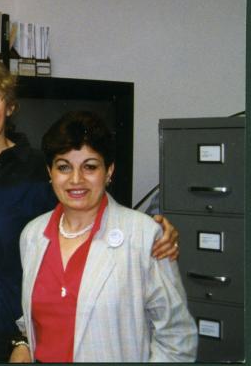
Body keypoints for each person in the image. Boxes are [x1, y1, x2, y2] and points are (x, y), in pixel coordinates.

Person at [0, 54, 180, 362]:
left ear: (10, 106)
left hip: (8, 331)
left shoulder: (39, 170)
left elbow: (88, 218)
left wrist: (154, 234)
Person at [10, 110, 197, 362]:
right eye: (64, 167)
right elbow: (36, 314)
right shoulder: (32, 235)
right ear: (50, 172)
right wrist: (23, 343)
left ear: (109, 171)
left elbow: (177, 336)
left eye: (90, 167)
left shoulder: (144, 235)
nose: (76, 180)